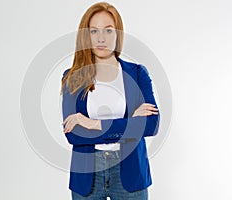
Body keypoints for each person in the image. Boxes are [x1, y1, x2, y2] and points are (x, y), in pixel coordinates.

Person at [60, 2, 160, 200]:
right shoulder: (72, 77)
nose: (101, 39)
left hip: (130, 172)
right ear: (85, 36)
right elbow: (74, 135)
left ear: (118, 34)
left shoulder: (137, 74)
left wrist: (93, 123)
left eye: (108, 30)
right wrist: (130, 123)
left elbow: (151, 125)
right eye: (94, 31)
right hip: (87, 175)